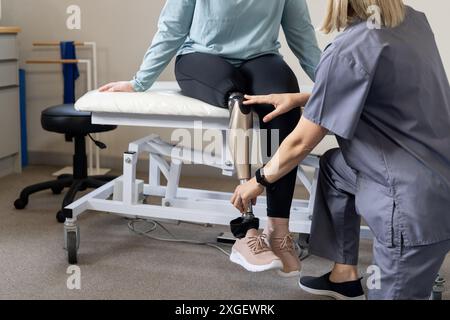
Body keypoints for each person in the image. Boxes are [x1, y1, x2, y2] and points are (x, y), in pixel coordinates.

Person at [232, 0, 450, 300]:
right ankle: (343, 276)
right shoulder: (413, 22)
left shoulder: (347, 48)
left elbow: (301, 142)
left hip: (410, 208)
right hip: (438, 177)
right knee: (335, 166)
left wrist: (256, 182)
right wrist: (305, 98)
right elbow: (383, 85)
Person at [99, 0, 322, 277]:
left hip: (261, 58)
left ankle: (278, 229)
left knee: (284, 107)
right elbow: (172, 27)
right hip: (201, 59)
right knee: (239, 102)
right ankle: (247, 229)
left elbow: (301, 33)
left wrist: (333, 85)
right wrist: (139, 82)